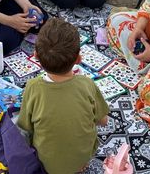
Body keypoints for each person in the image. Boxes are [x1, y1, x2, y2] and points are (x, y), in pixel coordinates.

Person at [17, 18, 109, 174]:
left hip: (47, 164)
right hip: (82, 157)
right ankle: (78, 166)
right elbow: (103, 120)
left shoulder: (32, 86)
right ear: (79, 59)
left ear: (35, 56)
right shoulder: (87, 84)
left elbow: (25, 126)